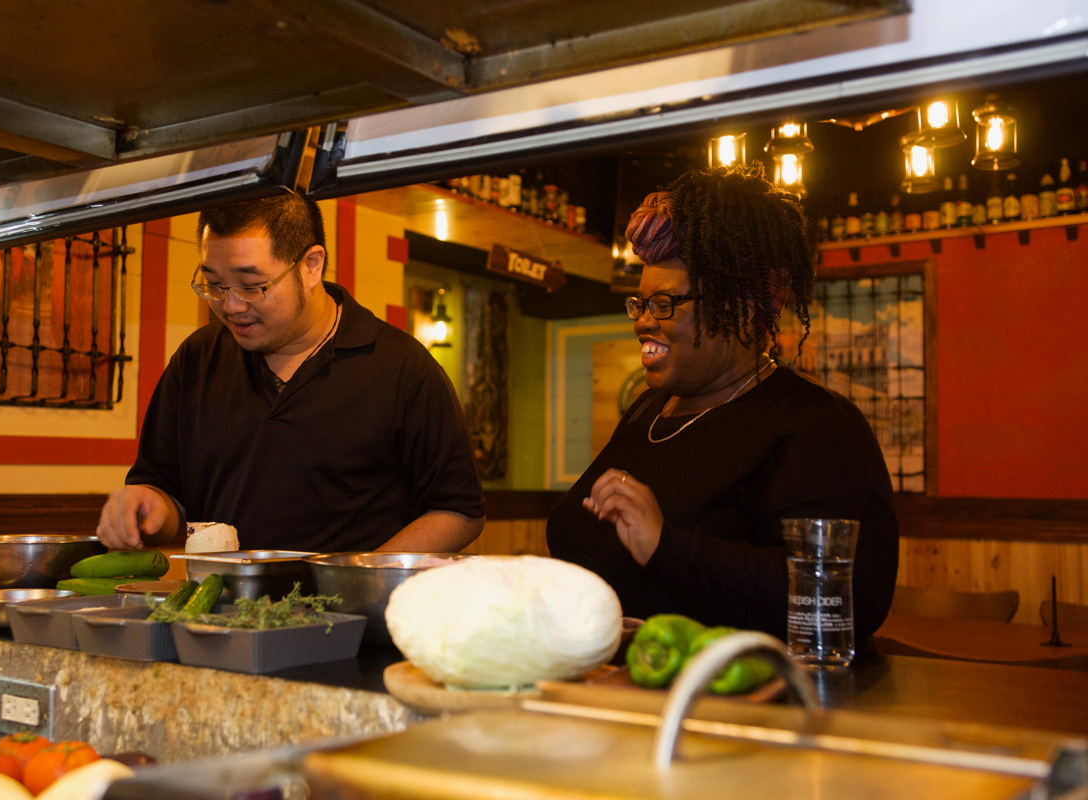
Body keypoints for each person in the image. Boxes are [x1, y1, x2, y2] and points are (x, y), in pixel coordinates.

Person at [546, 164, 898, 642]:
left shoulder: (813, 424)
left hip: (732, 703)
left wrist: (667, 547)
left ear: (748, 304)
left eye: (666, 303)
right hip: (613, 692)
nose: (643, 322)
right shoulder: (647, 413)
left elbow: (850, 596)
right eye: (641, 304)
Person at [97, 191, 485, 553]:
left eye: (252, 285)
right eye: (214, 285)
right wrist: (150, 506)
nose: (231, 306)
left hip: (350, 622)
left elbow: (458, 512)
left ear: (311, 265)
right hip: (219, 616)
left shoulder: (403, 369)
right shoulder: (197, 360)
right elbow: (169, 500)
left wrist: (360, 580)